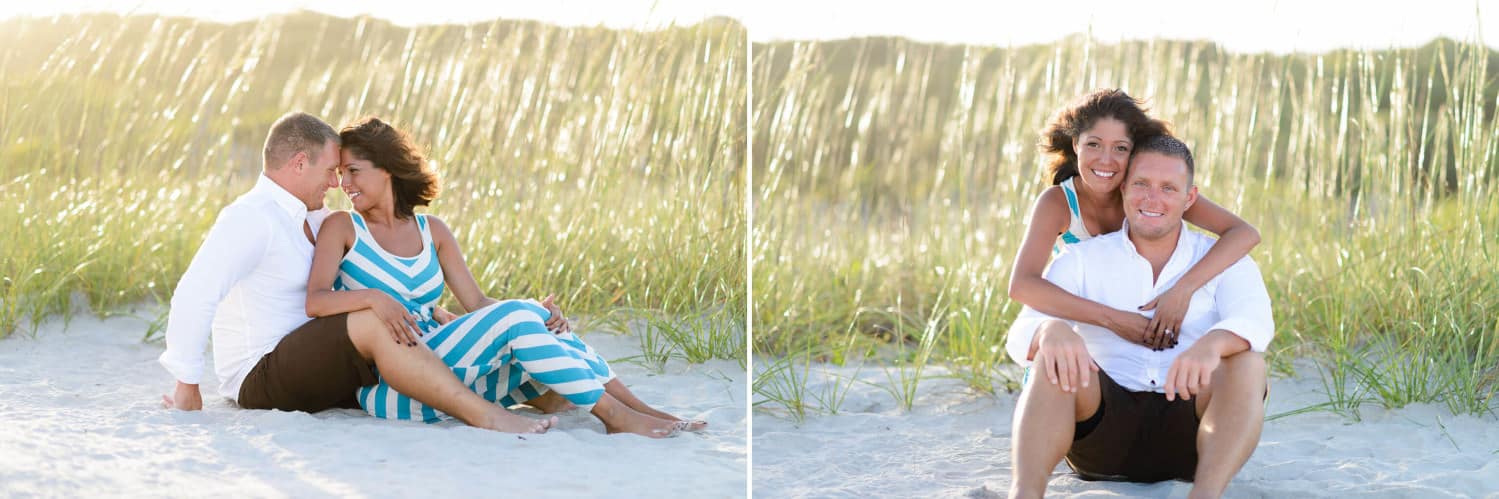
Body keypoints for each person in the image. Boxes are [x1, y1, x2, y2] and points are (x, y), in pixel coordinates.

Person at [304, 116, 705, 437]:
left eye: (353, 171)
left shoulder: (434, 231)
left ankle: (643, 410)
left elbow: (477, 305)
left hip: (454, 371)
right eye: (341, 173)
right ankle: (615, 416)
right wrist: (374, 297)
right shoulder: (343, 227)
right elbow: (317, 300)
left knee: (549, 327)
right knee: (519, 318)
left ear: (388, 169)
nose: (345, 184)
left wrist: (539, 313)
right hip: (398, 389)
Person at [159, 112, 552, 434]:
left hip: (330, 362)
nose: (337, 183)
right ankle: (483, 415)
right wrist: (187, 384)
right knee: (371, 319)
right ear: (299, 163)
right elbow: (196, 293)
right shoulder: (251, 217)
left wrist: (440, 314)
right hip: (261, 374)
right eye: (331, 171)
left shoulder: (319, 218)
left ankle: (547, 388)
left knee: (443, 344)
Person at [1004, 135, 1274, 498]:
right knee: (1052, 358)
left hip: (1193, 437)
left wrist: (1213, 344)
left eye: (1168, 188)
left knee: (1248, 364)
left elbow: (1256, 320)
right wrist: (1048, 331)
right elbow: (1021, 330)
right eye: (1141, 184)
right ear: (1124, 190)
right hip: (1099, 436)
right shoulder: (1082, 260)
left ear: (1188, 198)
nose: (1152, 199)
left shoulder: (1222, 259)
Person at [1008, 89, 1261, 351]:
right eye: (1093, 144)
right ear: (1075, 145)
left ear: (1133, 152)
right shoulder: (1058, 203)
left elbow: (1244, 233)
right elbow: (1022, 285)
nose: (1106, 160)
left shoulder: (1149, 196)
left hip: (1147, 334)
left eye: (1120, 148)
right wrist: (1113, 320)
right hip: (1083, 338)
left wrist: (1183, 290)